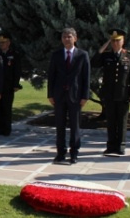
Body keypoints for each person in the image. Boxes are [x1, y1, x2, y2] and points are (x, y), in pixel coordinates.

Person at [91, 28, 130, 156]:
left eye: (118, 40)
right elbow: (94, 62)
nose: (115, 43)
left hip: (123, 94)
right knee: (111, 121)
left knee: (122, 121)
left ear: (123, 41)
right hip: (109, 94)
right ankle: (111, 146)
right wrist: (104, 45)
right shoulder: (106, 56)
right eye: (113, 41)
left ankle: (121, 146)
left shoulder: (129, 55)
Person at [48, 28, 90, 164]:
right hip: (59, 96)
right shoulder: (56, 55)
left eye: (69, 36)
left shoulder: (83, 55)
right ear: (61, 39)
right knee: (59, 126)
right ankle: (60, 153)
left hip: (76, 96)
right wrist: (50, 94)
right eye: (64, 37)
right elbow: (51, 76)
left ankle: (74, 153)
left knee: (75, 126)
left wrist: (85, 96)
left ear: (75, 38)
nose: (67, 39)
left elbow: (86, 77)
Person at [0, 33, 22, 136]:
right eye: (0, 42)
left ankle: (6, 129)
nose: (1, 44)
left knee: (7, 108)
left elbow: (17, 71)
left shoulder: (14, 54)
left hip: (8, 86)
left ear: (8, 43)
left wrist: (15, 84)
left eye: (3, 42)